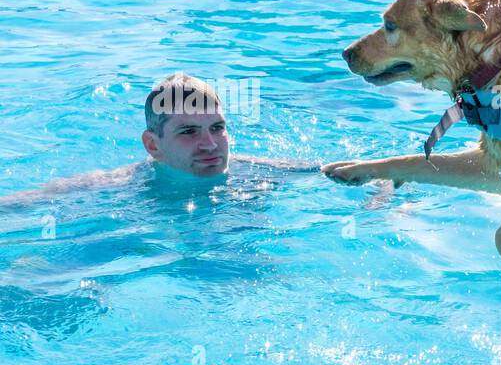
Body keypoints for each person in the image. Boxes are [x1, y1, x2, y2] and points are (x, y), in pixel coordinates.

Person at [0, 73, 314, 206]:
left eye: (217, 127)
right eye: (189, 132)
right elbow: (20, 205)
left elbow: (341, 174)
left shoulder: (260, 171)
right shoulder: (117, 186)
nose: (210, 143)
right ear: (153, 146)